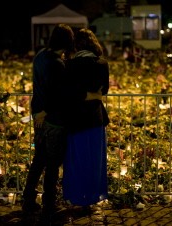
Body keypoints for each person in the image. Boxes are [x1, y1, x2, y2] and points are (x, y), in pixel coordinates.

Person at [21, 24, 75, 220]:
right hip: (55, 120)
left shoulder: (40, 56)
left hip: (39, 118)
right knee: (52, 164)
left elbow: (40, 87)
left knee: (38, 160)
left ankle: (28, 199)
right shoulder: (58, 65)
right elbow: (58, 96)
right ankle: (49, 203)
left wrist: (39, 112)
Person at [62, 28, 110, 209]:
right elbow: (103, 90)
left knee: (75, 159)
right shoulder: (102, 63)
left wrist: (82, 95)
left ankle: (74, 196)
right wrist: (92, 95)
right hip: (95, 118)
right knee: (94, 160)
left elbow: (69, 92)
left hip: (75, 118)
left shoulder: (69, 65)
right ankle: (91, 196)